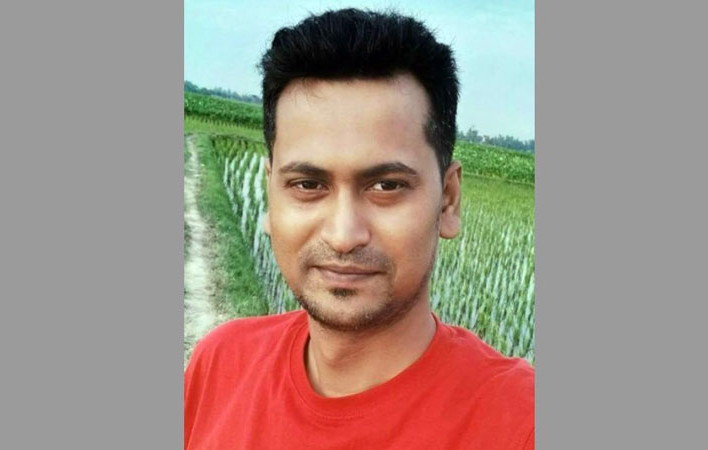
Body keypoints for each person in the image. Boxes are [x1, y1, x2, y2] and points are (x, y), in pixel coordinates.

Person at [184, 8, 534, 450]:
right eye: (307, 184)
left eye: (386, 186)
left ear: (448, 200)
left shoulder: (521, 423)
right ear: (271, 194)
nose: (344, 235)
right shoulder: (220, 364)